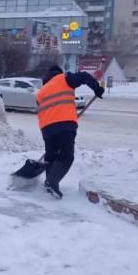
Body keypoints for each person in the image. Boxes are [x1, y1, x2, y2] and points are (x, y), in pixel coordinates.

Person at [37, 65, 105, 199]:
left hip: (46, 128)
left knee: (51, 155)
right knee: (66, 156)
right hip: (65, 124)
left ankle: (48, 182)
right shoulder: (64, 78)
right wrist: (96, 88)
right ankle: (52, 181)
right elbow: (84, 76)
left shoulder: (41, 91)